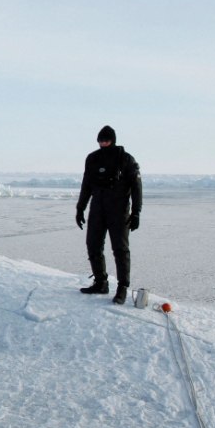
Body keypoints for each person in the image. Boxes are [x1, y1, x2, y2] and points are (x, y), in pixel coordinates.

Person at [75, 125, 142, 304]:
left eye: (106, 140)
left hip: (119, 211)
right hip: (97, 208)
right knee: (93, 245)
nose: (103, 143)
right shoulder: (92, 159)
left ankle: (122, 288)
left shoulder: (126, 159)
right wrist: (80, 208)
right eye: (100, 140)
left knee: (120, 249)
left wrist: (136, 212)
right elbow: (86, 185)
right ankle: (101, 282)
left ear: (113, 140)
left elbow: (136, 187)